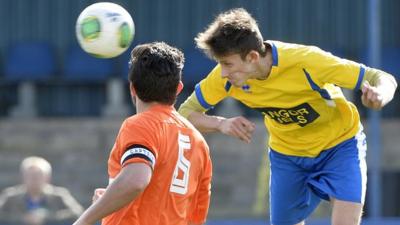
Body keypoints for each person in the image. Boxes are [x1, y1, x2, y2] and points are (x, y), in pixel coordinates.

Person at [178, 8, 397, 225]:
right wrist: (221, 123)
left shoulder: (306, 61)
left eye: (227, 64)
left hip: (340, 146)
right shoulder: (224, 78)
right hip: (288, 156)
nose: (223, 72)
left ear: (253, 57)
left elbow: (380, 77)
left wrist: (380, 95)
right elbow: (185, 113)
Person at [73, 42, 212, 225]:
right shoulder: (199, 142)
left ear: (132, 88)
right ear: (178, 88)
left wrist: (84, 220)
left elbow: (135, 181)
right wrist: (109, 200)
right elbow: (195, 217)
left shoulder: (140, 125)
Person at [0, 156, 83, 225]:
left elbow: (78, 214)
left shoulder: (59, 195)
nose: (34, 179)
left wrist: (46, 219)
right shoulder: (11, 196)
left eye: (38, 175)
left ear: (47, 177)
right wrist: (22, 219)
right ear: (23, 177)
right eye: (30, 176)